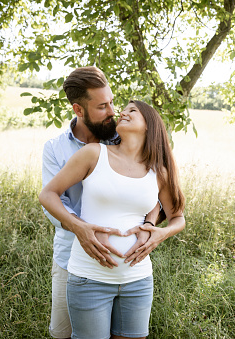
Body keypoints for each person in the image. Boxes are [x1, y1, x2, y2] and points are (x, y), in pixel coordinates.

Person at [39, 100, 186, 339]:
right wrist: (79, 227)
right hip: (89, 278)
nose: (123, 113)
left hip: (137, 281)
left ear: (149, 125)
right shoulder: (93, 154)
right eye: (124, 110)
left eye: (133, 111)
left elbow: (177, 217)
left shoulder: (158, 171)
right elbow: (47, 194)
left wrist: (160, 233)